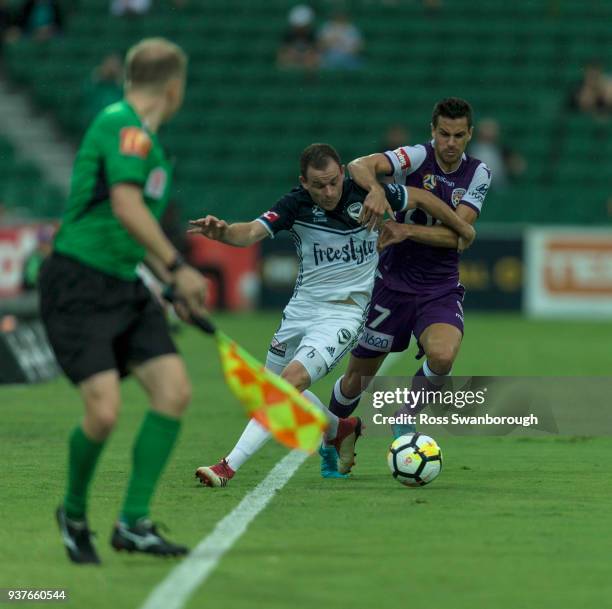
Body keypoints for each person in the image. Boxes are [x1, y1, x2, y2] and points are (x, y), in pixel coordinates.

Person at [188, 143, 474, 485]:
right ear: (303, 182)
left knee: (287, 384)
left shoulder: (368, 194)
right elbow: (249, 232)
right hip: (300, 310)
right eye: (318, 185)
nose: (328, 192)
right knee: (271, 390)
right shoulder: (295, 205)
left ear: (341, 172)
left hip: (343, 315)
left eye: (333, 182)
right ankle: (341, 429)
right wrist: (222, 232)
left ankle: (227, 467)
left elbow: (421, 198)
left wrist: (461, 227)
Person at [39, 37, 207, 564]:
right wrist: (179, 267)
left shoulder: (145, 141)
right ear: (174, 89)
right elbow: (127, 205)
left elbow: (134, 229)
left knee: (174, 391)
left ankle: (132, 523)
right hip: (78, 285)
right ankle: (72, 512)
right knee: (105, 412)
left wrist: (168, 281)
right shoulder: (123, 127)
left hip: (123, 284)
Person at [326, 97, 491, 449]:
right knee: (356, 381)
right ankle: (334, 439)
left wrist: (408, 230)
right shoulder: (416, 157)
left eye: (458, 135)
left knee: (444, 356)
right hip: (391, 286)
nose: (450, 143)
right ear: (433, 131)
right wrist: (375, 189)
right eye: (444, 134)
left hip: (439, 287)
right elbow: (358, 165)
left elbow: (458, 235)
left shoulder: (478, 172)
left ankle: (405, 419)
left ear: (469, 135)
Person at [469, 118, 525, 190]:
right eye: (486, 129)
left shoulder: (502, 150)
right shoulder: (470, 149)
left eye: (491, 130)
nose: (488, 133)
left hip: (498, 188)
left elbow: (519, 167)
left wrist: (512, 165)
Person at [276, 4, 320, 71]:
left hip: (307, 59)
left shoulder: (312, 34)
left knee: (312, 60)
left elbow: (315, 50)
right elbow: (283, 50)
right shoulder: (288, 34)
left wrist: (305, 55)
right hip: (293, 58)